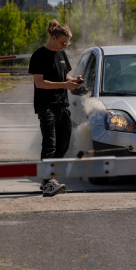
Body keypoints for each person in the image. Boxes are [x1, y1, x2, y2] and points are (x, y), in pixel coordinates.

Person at [28, 20, 84, 196]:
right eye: (62, 42)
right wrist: (64, 85)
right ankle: (47, 182)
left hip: (62, 105)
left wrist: (74, 80)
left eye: (67, 43)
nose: (65, 46)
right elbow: (40, 83)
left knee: (64, 143)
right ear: (53, 38)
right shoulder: (39, 55)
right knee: (50, 144)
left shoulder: (62, 54)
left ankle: (50, 177)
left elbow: (64, 74)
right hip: (46, 106)